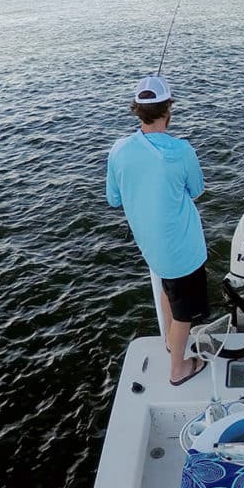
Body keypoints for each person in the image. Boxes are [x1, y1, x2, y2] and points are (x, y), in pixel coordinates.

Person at [106, 74, 209, 386]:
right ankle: (178, 369)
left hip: (150, 247)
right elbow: (197, 189)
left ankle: (169, 340)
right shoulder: (181, 150)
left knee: (169, 289)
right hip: (183, 250)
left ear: (137, 110)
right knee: (184, 313)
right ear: (168, 111)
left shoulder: (118, 150)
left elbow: (114, 199)